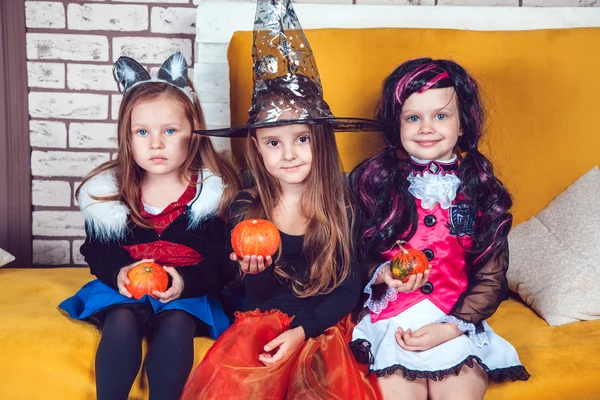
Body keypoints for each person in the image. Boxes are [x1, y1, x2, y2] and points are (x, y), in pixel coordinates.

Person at [180, 1, 381, 398]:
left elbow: (350, 290)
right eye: (274, 142)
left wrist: (302, 331)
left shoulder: (343, 204)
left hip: (324, 325)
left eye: (301, 139)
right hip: (264, 322)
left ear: (320, 140)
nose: (288, 154)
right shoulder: (245, 208)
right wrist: (255, 271)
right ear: (256, 146)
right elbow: (253, 299)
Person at [59, 52, 240, 400]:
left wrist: (185, 281)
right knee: (121, 322)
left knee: (176, 325)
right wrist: (119, 273)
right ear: (127, 138)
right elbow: (97, 251)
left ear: (194, 133)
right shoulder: (108, 195)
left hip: (185, 290)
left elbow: (221, 263)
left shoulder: (213, 194)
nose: (156, 143)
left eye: (170, 130)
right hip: (126, 287)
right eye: (142, 132)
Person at [349, 58, 530, 400]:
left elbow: (491, 279)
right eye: (413, 117)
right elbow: (355, 254)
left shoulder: (481, 191)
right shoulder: (376, 185)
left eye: (441, 116)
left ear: (463, 125)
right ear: (397, 125)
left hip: (453, 322)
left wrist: (450, 329)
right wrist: (384, 273)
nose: (426, 128)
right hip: (393, 323)